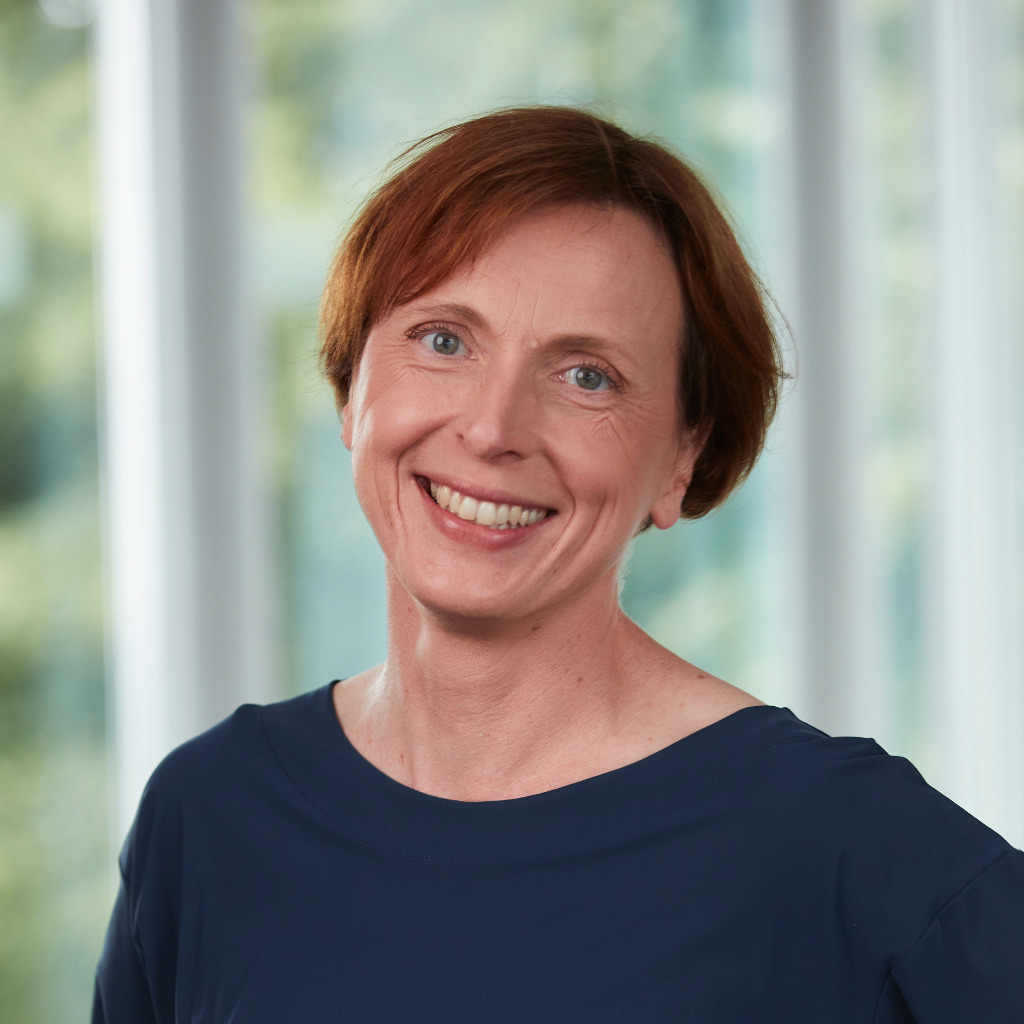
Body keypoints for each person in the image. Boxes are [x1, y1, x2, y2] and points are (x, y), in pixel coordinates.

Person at [92, 106, 1024, 1022]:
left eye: (588, 376)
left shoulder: (837, 847)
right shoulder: (210, 819)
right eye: (443, 340)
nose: (494, 429)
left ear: (681, 461)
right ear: (352, 386)